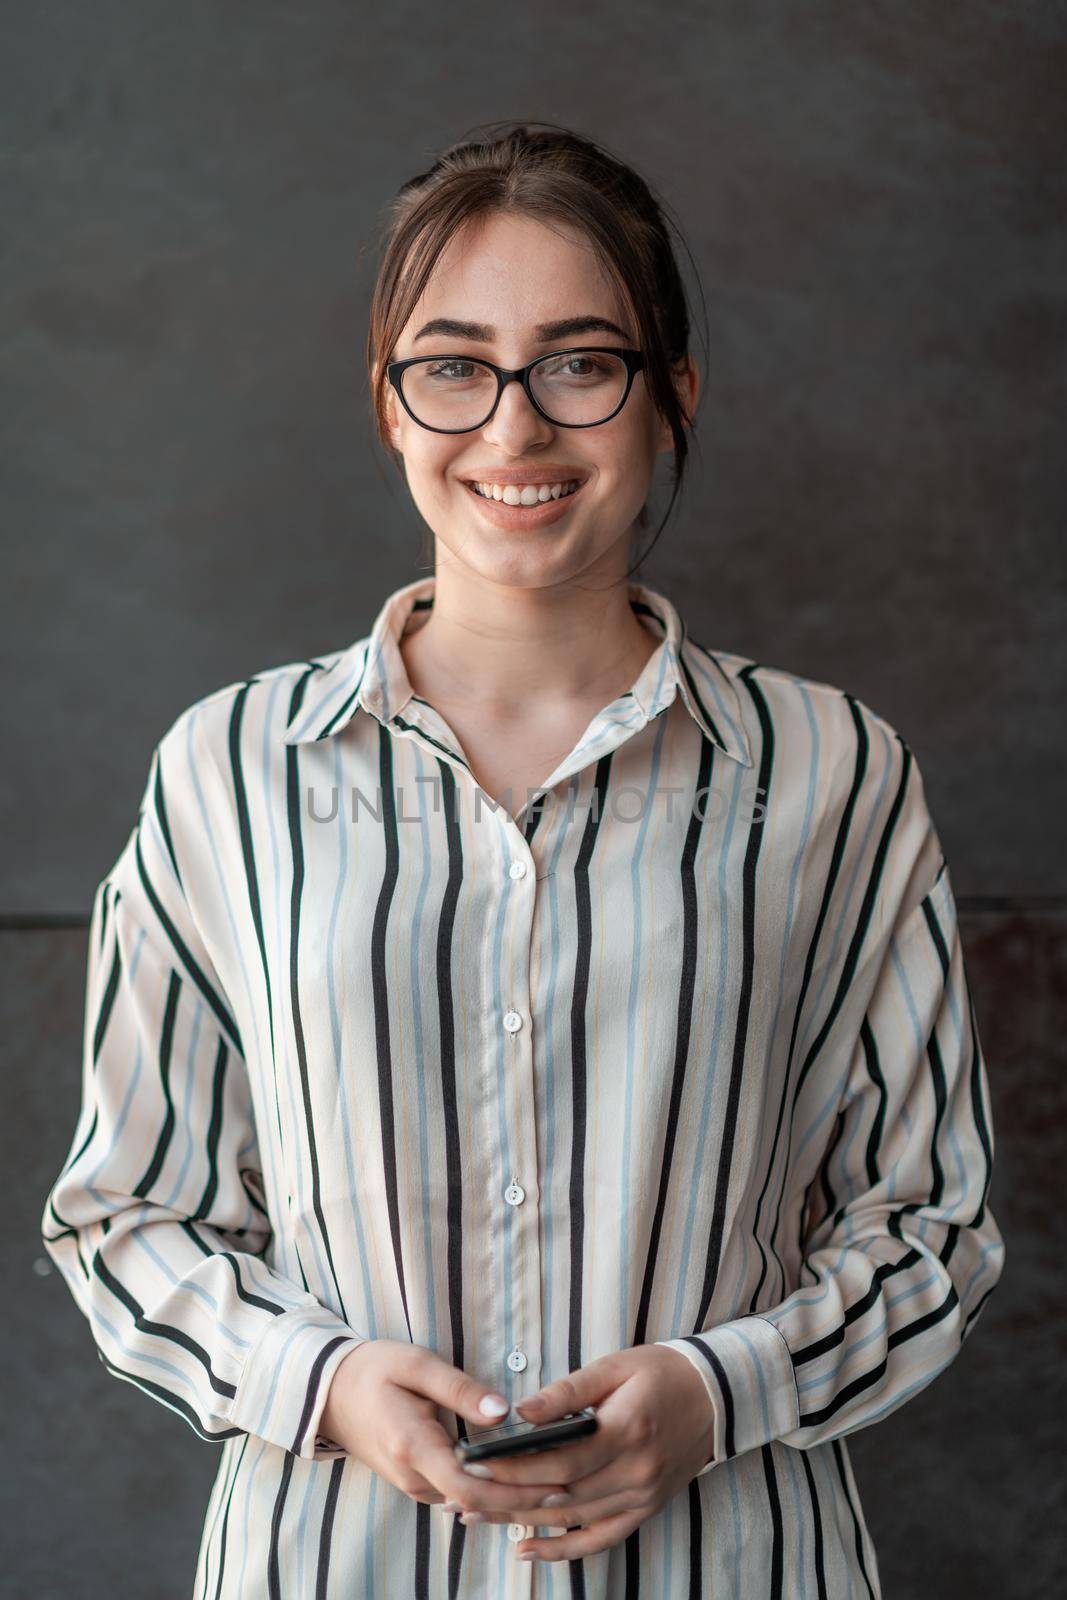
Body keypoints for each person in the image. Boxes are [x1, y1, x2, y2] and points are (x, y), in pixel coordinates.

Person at [41, 120, 1005, 1599]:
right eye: (454, 365)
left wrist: (716, 1393)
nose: (513, 428)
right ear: (389, 404)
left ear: (671, 394)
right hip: (329, 1562)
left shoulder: (834, 772)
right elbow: (125, 1221)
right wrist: (324, 1383)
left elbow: (932, 1226)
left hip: (735, 1562)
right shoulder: (226, 773)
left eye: (578, 361)